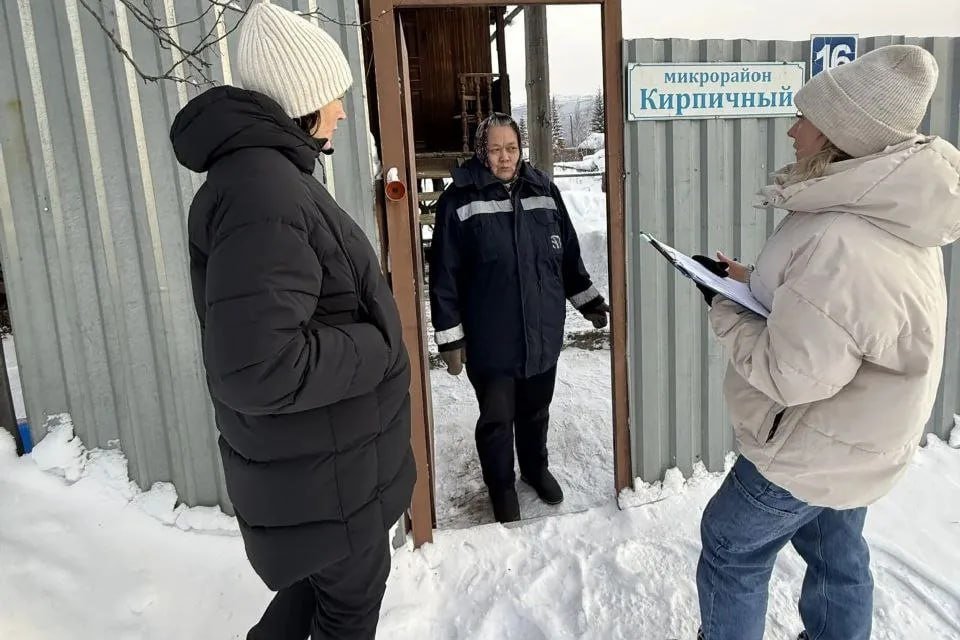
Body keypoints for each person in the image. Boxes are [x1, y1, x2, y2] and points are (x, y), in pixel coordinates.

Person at [691, 45, 960, 640]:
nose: (792, 130)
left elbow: (792, 374)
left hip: (815, 444)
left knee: (731, 546)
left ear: (839, 134)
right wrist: (748, 281)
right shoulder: (890, 210)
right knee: (836, 554)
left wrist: (722, 306)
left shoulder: (840, 235)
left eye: (804, 118)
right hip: (860, 438)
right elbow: (837, 312)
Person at [169, 2, 415, 638]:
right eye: (334, 96)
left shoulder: (271, 179)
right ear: (301, 98)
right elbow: (258, 368)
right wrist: (378, 346)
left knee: (316, 595)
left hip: (324, 477)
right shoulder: (264, 193)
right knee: (346, 611)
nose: (341, 112)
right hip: (326, 485)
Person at [429, 113, 609, 523]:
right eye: (495, 149)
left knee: (536, 410)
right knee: (497, 419)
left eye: (511, 148)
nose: (505, 157)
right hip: (490, 339)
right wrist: (450, 338)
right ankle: (501, 487)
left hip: (542, 332)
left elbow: (567, 256)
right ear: (481, 151)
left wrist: (588, 301)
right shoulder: (459, 200)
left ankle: (534, 469)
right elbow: (444, 274)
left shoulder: (544, 190)